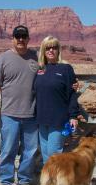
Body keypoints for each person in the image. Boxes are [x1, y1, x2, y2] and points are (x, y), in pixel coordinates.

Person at [0, 25, 40, 185]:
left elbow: (49, 75)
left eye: (24, 36)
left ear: (28, 38)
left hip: (32, 114)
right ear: (13, 38)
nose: (21, 39)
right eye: (18, 36)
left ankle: (24, 180)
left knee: (29, 151)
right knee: (8, 149)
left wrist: (72, 83)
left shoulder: (36, 58)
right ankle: (6, 183)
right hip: (9, 114)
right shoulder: (3, 59)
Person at [34, 35, 80, 164]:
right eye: (47, 48)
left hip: (58, 119)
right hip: (41, 119)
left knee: (53, 155)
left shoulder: (66, 69)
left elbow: (72, 94)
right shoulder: (40, 69)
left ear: (58, 50)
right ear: (43, 50)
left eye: (54, 47)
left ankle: (53, 184)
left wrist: (73, 116)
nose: (51, 50)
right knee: (45, 156)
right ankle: (49, 183)